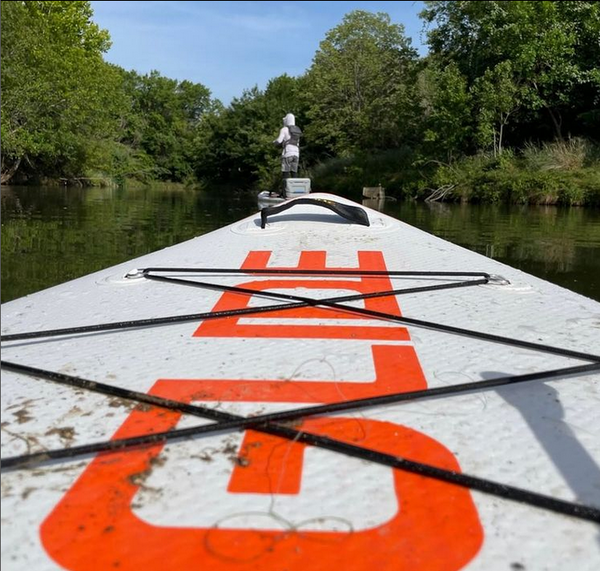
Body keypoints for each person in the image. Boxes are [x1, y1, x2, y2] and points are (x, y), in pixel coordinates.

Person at [273, 113, 302, 197]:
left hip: (287, 153)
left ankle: (284, 193)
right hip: (296, 154)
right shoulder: (297, 130)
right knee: (294, 173)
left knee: (285, 173)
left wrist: (274, 142)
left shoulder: (284, 129)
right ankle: (295, 193)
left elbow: (279, 140)